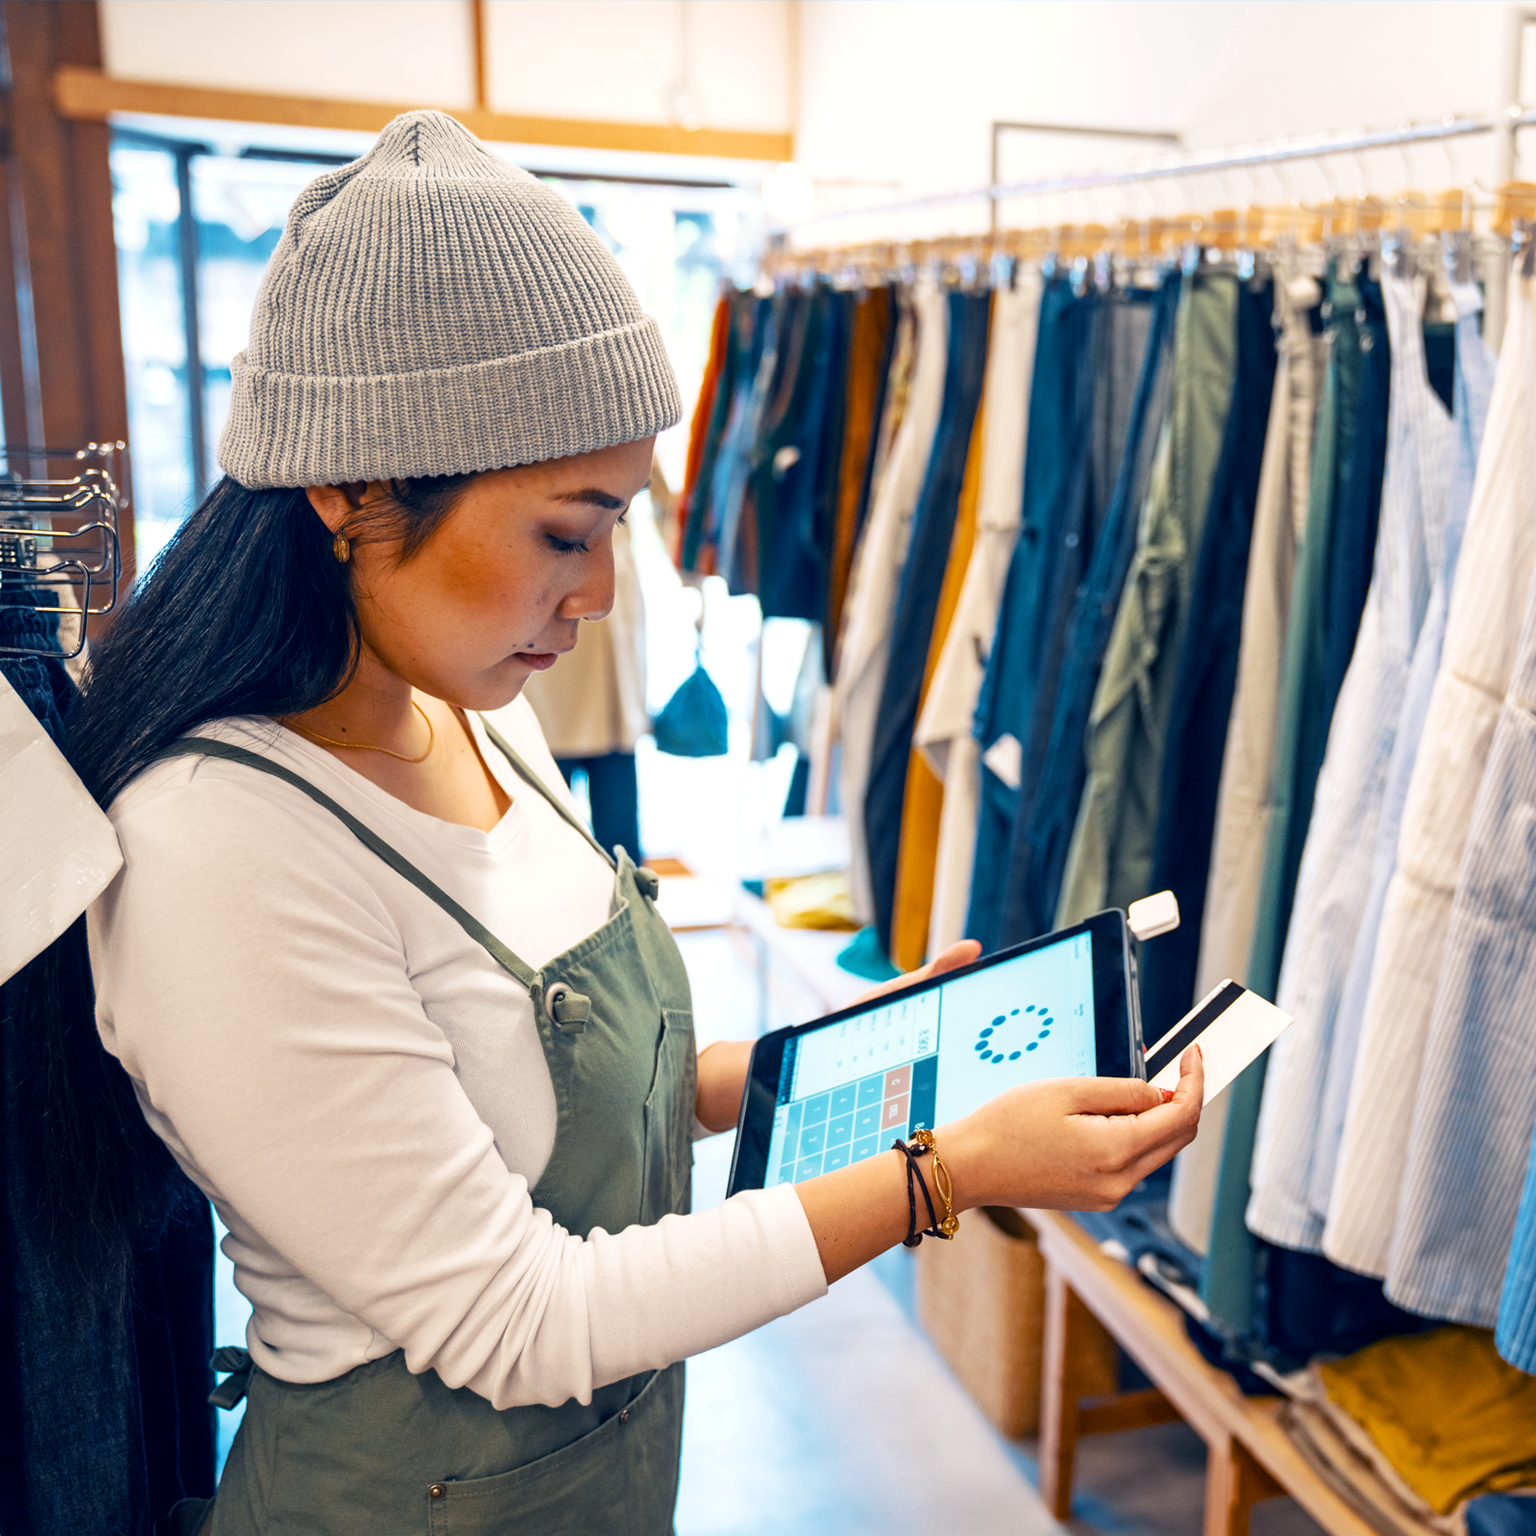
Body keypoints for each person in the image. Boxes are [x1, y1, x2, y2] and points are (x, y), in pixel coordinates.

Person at [65, 112, 1202, 1534]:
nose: (601, 593)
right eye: (566, 530)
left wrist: (845, 1060)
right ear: (349, 488)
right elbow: (520, 1315)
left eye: (618, 528)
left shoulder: (480, 715)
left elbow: (559, 1086)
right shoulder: (217, 847)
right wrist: (945, 1173)